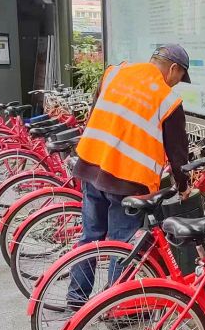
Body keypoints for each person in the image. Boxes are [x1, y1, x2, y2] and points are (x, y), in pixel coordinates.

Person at [66, 44, 191, 308]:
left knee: (90, 236)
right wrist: (183, 186)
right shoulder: (167, 99)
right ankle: (115, 307)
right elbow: (177, 153)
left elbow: (97, 113)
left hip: (91, 165)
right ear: (173, 69)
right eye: (180, 77)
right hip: (126, 180)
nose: (176, 84)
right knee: (121, 245)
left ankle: (76, 298)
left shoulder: (115, 73)